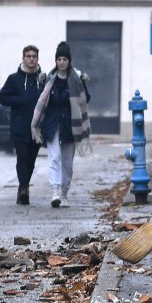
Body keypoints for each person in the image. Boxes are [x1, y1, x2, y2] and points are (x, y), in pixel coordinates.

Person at [31, 41, 91, 208]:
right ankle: (55, 191)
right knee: (54, 157)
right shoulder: (49, 79)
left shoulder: (76, 79)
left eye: (65, 59)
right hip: (52, 124)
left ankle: (64, 192)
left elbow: (86, 99)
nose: (62, 62)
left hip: (71, 125)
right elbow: (41, 99)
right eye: (59, 59)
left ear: (69, 61)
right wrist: (41, 84)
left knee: (67, 162)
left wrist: (83, 85)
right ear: (56, 61)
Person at [0, 45, 44, 205]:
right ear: (23, 58)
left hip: (37, 128)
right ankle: (23, 188)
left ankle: (23, 186)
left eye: (34, 56)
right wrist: (19, 100)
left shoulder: (43, 79)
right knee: (22, 157)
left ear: (37, 59)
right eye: (28, 56)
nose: (31, 59)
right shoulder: (14, 79)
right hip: (19, 126)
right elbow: (2, 98)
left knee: (31, 160)